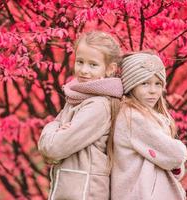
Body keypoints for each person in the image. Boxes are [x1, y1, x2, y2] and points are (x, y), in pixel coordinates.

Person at [38, 31, 123, 200]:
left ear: (110, 69)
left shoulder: (98, 106)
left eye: (93, 65)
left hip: (86, 193)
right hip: (72, 190)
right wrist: (56, 133)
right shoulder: (77, 98)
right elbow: (49, 153)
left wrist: (53, 127)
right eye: (80, 62)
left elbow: (54, 148)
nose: (84, 70)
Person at [110, 52, 187, 200]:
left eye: (158, 84)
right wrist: (176, 155)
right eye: (144, 83)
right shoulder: (132, 117)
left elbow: (175, 169)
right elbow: (176, 155)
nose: (153, 90)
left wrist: (173, 163)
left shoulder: (151, 117)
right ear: (131, 85)